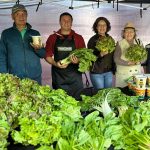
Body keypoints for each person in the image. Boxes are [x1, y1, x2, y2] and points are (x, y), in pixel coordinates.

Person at [0, 4, 45, 84]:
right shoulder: (6, 34)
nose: (21, 17)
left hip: (35, 77)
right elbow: (2, 56)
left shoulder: (35, 33)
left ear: (27, 15)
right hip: (15, 78)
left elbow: (43, 54)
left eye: (24, 14)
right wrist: (4, 76)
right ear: (12, 17)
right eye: (17, 14)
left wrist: (38, 49)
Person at [45, 12, 86, 98]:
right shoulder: (52, 37)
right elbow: (47, 56)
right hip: (59, 77)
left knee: (77, 102)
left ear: (72, 23)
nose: (66, 22)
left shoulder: (78, 38)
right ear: (59, 22)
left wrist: (78, 61)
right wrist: (56, 64)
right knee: (60, 102)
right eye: (64, 20)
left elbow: (84, 56)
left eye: (69, 21)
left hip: (75, 78)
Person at [87, 17, 115, 90]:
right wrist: (100, 55)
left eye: (104, 25)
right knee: (99, 94)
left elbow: (113, 55)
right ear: (96, 27)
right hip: (97, 73)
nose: (102, 27)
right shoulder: (92, 40)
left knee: (107, 94)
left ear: (107, 27)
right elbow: (89, 57)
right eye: (99, 25)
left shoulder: (110, 39)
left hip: (109, 72)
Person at [114, 22, 145, 87]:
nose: (129, 33)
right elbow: (116, 59)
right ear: (124, 33)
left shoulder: (139, 42)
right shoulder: (120, 43)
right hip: (123, 74)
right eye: (127, 32)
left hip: (136, 73)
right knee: (123, 93)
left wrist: (138, 62)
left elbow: (144, 57)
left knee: (136, 92)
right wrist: (128, 63)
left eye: (131, 32)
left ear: (134, 33)